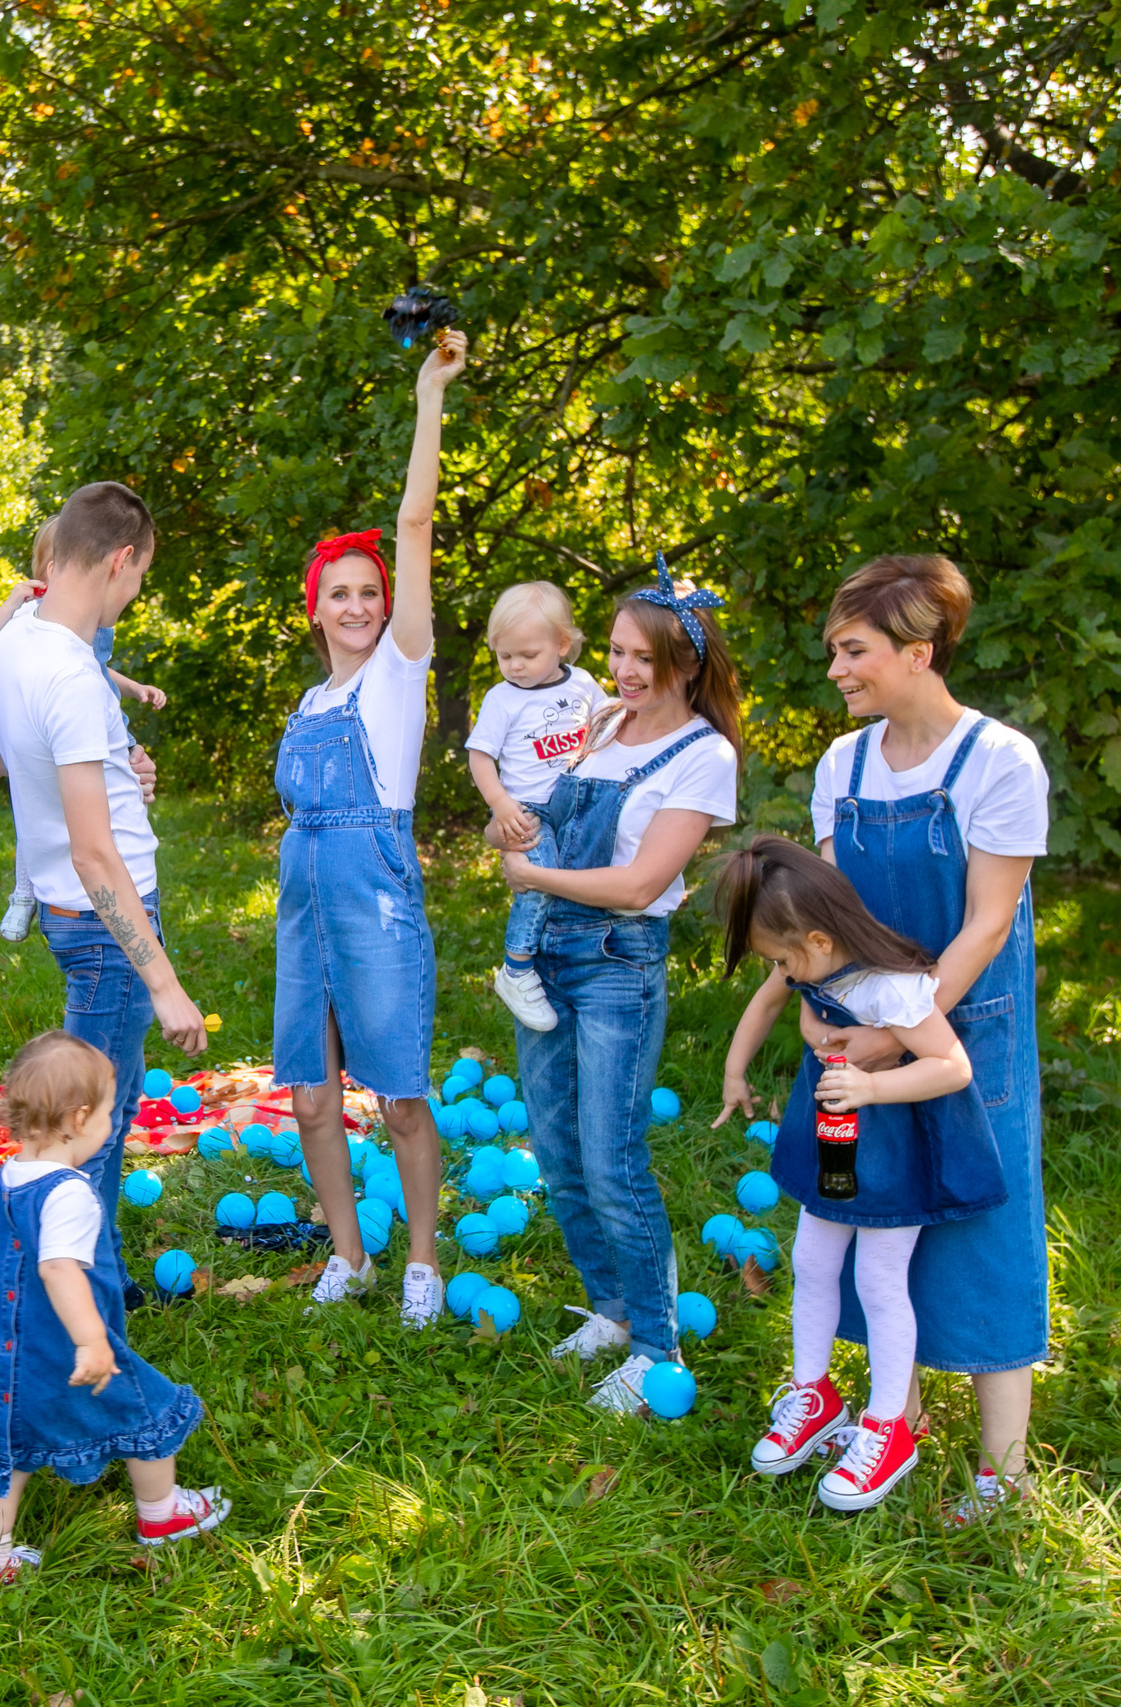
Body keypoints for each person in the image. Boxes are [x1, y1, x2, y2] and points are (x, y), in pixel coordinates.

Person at [735, 552, 1052, 1524]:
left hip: (961, 1028)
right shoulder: (844, 765)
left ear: (918, 651)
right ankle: (888, 1416)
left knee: (982, 1229)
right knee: (865, 1221)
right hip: (855, 1034)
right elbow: (830, 914)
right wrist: (818, 1005)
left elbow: (985, 924)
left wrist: (902, 1037)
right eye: (834, 650)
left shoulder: (998, 762)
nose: (835, 669)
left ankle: (1002, 1472)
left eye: (852, 650)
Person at [492, 562, 742, 1412]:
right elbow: (538, 825)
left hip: (616, 962)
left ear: (687, 664)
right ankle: (610, 1306)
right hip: (547, 957)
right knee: (557, 1152)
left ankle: (657, 1345)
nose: (626, 671)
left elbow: (640, 884)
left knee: (613, 1159)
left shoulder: (702, 756)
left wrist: (533, 876)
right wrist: (511, 829)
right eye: (616, 652)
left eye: (645, 658)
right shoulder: (598, 725)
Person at [712, 837, 1008, 1511]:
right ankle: (813, 1392)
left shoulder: (890, 984)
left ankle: (888, 1427)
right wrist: (735, 1070)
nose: (780, 970)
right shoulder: (810, 965)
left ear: (818, 938)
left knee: (878, 1278)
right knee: (812, 1258)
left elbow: (952, 1065)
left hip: (894, 1145)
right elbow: (765, 1003)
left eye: (783, 957)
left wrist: (875, 1090)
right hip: (836, 1137)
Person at [278, 326, 468, 1327]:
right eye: (338, 595)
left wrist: (428, 398)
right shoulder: (308, 706)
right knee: (310, 1096)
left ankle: (423, 1264)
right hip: (303, 900)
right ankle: (347, 1253)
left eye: (369, 593)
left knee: (397, 1093)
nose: (356, 606)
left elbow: (415, 521)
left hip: (375, 896)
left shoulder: (398, 676)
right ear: (314, 611)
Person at [0, 482, 209, 1308]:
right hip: (104, 920)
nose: (135, 591)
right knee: (91, 1123)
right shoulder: (74, 676)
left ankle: (91, 1274)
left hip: (66, 910)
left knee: (99, 1099)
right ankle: (73, 1296)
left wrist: (118, 769)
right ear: (120, 560)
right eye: (139, 576)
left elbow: (6, 763)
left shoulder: (14, 644)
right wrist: (164, 979)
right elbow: (93, 855)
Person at [0, 1031, 226, 1585]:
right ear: (79, 1119)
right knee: (144, 1407)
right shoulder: (72, 1193)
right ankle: (162, 1514)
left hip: (11, 1351)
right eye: (108, 1113)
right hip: (69, 1346)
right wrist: (92, 1341)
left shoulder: (1, 1183)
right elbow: (58, 1269)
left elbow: (12, 1260)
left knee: (7, 1439)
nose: (111, 1125)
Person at [0, 524, 167, 943]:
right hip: (99, 904)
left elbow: (98, 670)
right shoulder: (30, 630)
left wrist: (133, 693)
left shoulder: (79, 635)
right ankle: (22, 895)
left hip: (90, 887)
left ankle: (27, 896)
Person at [465, 580, 607, 1031]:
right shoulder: (501, 699)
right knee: (538, 881)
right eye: (505, 657)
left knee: (584, 873)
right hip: (526, 809)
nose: (516, 666)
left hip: (578, 802)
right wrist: (500, 804)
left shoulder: (584, 684)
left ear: (562, 644)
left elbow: (611, 722)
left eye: (528, 655)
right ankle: (517, 967)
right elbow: (480, 756)